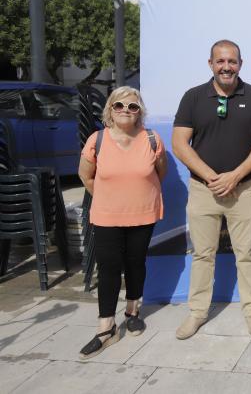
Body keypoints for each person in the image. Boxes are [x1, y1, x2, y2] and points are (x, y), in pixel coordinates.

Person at [172, 39, 251, 339]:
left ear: (240, 64)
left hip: (243, 190)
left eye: (232, 61)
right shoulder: (193, 97)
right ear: (211, 64)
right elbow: (179, 143)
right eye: (220, 61)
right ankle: (197, 312)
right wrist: (212, 177)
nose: (226, 67)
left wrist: (235, 176)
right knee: (203, 254)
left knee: (246, 252)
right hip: (203, 190)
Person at [77, 87, 167, 359]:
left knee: (136, 263)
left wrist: (137, 193)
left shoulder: (152, 139)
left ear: (140, 112)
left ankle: (132, 312)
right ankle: (106, 328)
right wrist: (109, 198)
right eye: (119, 105)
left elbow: (160, 172)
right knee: (108, 268)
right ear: (110, 109)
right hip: (107, 215)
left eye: (132, 106)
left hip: (143, 213)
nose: (126, 110)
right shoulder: (97, 140)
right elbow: (85, 176)